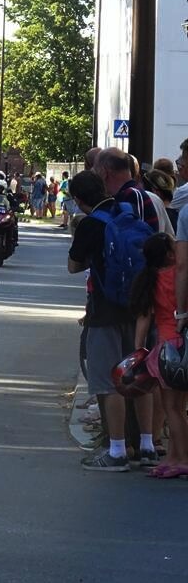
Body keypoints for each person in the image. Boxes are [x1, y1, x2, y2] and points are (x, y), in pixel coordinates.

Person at [68, 169, 154, 471]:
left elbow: (73, 265)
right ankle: (147, 446)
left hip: (104, 310)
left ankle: (117, 449)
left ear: (78, 200)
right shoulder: (127, 211)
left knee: (108, 381)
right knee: (139, 377)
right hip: (138, 307)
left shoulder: (90, 224)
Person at [131, 233, 188, 477]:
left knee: (170, 408)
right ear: (168, 253)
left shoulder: (152, 280)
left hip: (168, 348)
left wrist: (138, 351)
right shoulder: (180, 275)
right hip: (184, 343)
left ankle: (181, 459)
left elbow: (144, 319)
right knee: (181, 408)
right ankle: (176, 456)